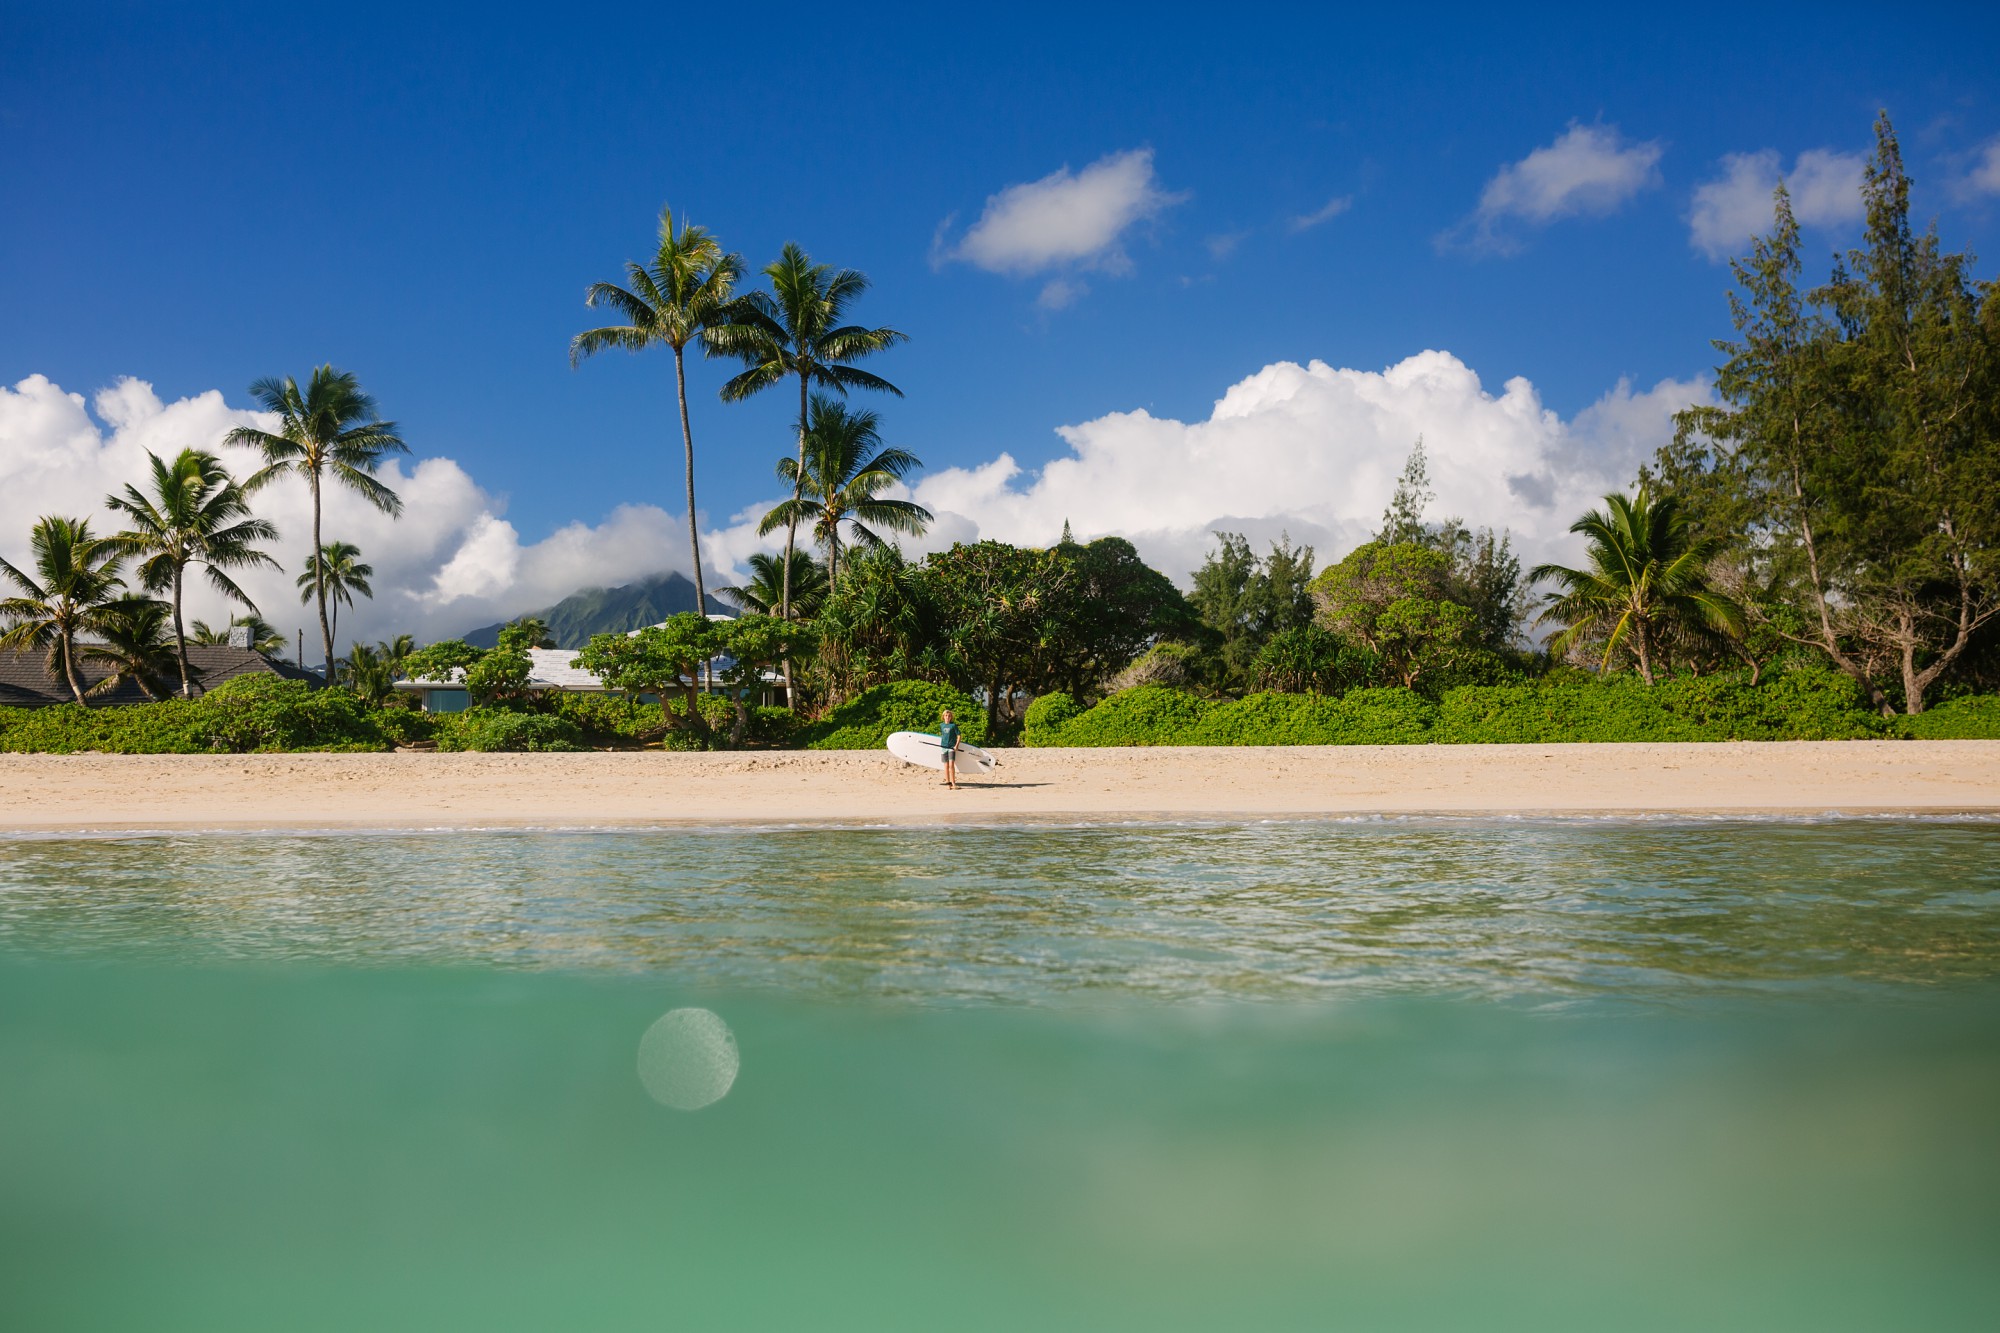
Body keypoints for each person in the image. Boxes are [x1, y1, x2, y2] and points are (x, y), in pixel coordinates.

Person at [938, 709, 962, 790]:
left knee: (951, 765)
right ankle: (948, 784)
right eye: (946, 716)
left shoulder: (953, 726)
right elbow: (943, 736)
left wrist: (956, 746)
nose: (947, 717)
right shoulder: (941, 725)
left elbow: (959, 736)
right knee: (946, 766)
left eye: (949, 716)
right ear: (943, 717)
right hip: (944, 748)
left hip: (951, 748)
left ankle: (953, 783)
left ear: (951, 717)